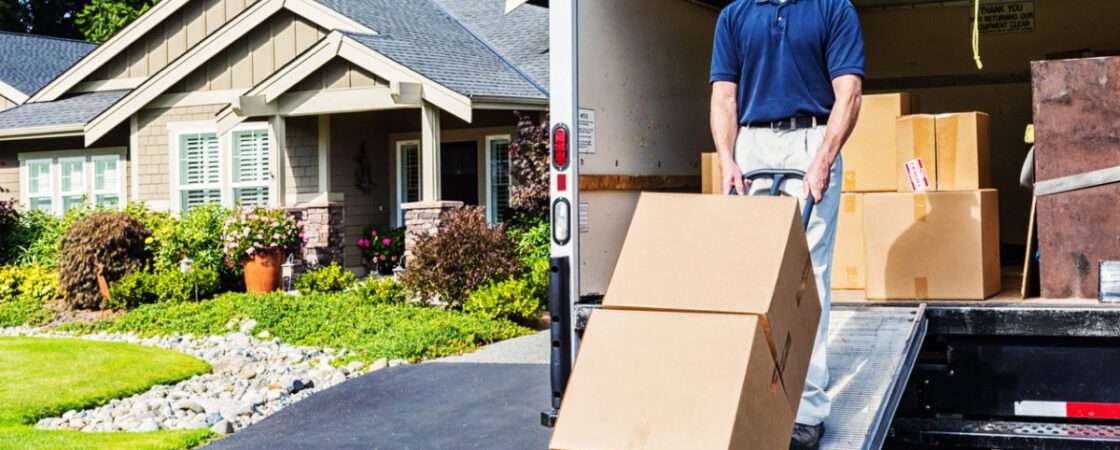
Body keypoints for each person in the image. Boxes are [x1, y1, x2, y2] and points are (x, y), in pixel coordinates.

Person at [709, 1, 864, 449]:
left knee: (807, 278)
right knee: (751, 279)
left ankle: (808, 411)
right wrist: (726, 158)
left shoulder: (834, 9)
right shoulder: (735, 15)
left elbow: (848, 92)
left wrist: (824, 158)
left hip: (811, 141)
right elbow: (724, 95)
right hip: (752, 144)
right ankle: (753, 395)